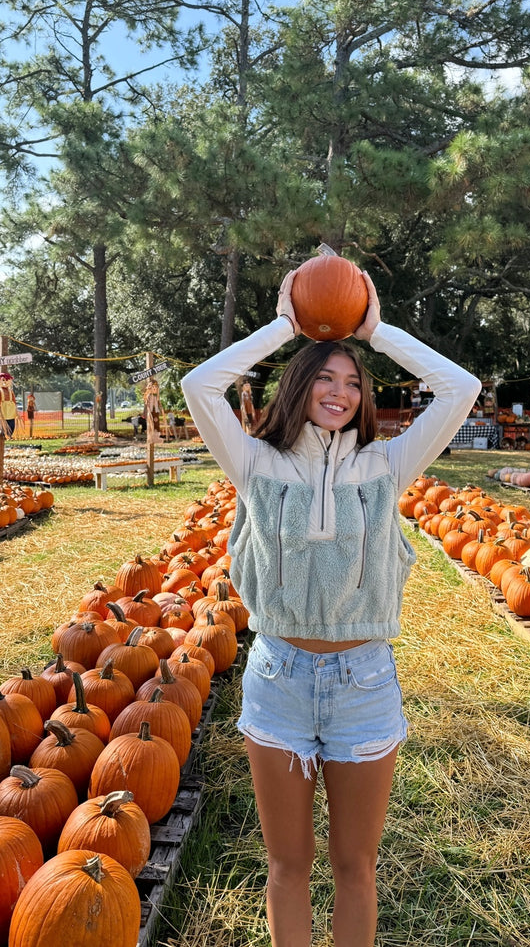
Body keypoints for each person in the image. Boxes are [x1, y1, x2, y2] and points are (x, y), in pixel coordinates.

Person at [182, 269, 479, 947]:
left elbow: (462, 388)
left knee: (356, 867)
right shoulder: (253, 463)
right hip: (278, 679)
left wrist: (374, 330)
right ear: (298, 384)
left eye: (354, 381)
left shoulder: (388, 465)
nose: (341, 392)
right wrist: (289, 324)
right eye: (326, 378)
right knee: (288, 865)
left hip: (364, 684)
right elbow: (198, 385)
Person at [0, 371, 18, 439]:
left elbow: (14, 400)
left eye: (7, 380)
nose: (5, 382)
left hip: (10, 409)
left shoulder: (11, 391)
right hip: (3, 409)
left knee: (11, 423)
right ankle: (3, 433)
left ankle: (10, 434)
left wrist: (15, 409)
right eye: (3, 380)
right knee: (3, 423)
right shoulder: (0, 391)